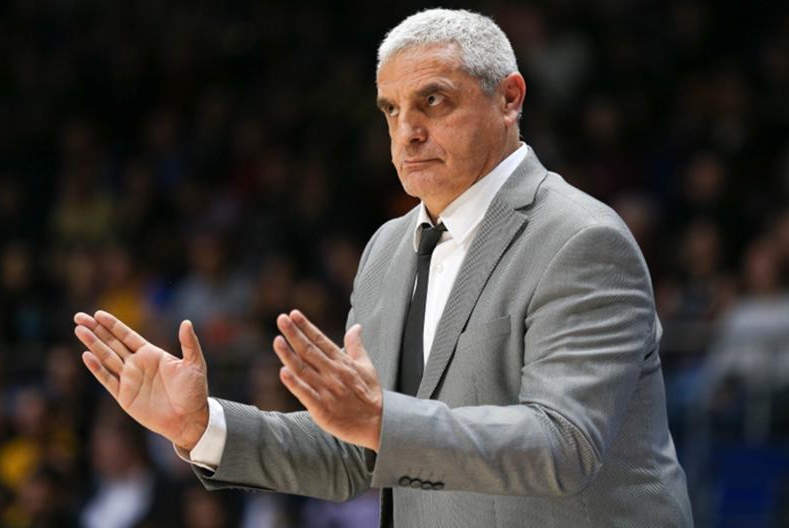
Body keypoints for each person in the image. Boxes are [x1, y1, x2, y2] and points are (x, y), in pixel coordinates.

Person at [73, 8, 692, 527]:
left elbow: (564, 444)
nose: (408, 131)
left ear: (509, 98)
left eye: (433, 101)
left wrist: (380, 419)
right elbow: (358, 452)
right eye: (391, 110)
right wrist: (205, 426)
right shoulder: (388, 249)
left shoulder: (580, 239)